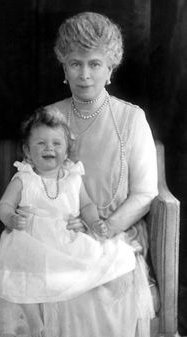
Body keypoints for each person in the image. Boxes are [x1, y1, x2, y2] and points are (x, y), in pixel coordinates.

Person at [45, 11, 158, 337]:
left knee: (102, 288)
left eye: (94, 64)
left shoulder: (131, 119)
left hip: (116, 235)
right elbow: (38, 184)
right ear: (64, 67)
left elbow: (145, 193)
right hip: (61, 234)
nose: (84, 74)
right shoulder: (50, 117)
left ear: (110, 68)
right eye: (75, 63)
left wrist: (105, 229)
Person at [0, 106, 138, 337]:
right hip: (31, 240)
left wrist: (94, 221)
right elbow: (4, 204)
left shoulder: (73, 178)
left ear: (67, 150)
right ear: (27, 151)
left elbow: (87, 205)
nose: (50, 148)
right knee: (18, 270)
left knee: (109, 258)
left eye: (57, 143)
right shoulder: (24, 177)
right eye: (41, 144)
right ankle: (35, 323)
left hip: (64, 239)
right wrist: (11, 218)